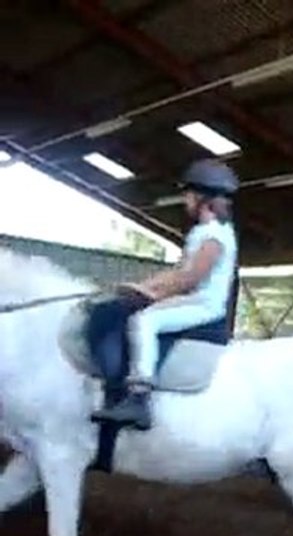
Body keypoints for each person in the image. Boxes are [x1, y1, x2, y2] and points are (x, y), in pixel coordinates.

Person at [91, 158, 240, 430]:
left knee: (144, 321)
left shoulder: (215, 235)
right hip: (194, 299)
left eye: (188, 194)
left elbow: (190, 277)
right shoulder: (204, 231)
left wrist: (150, 293)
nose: (185, 200)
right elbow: (177, 272)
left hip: (203, 305)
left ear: (201, 198)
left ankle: (139, 397)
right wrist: (143, 286)